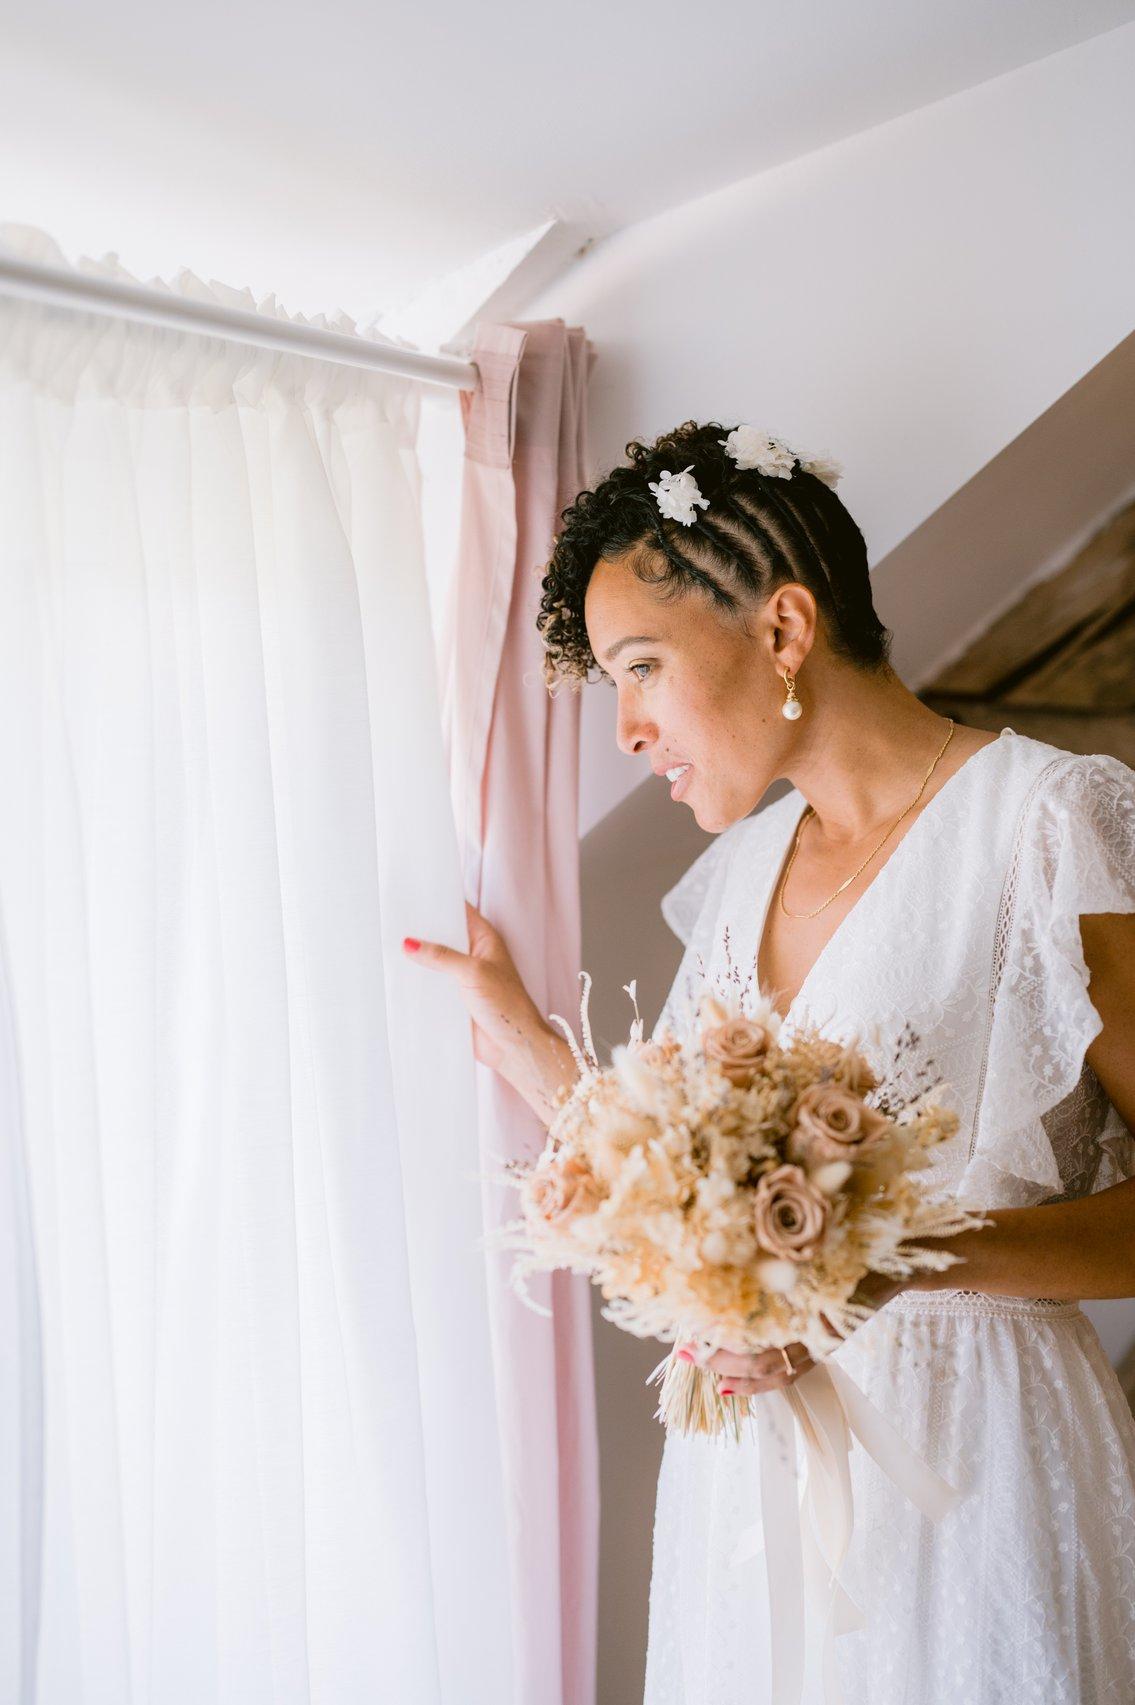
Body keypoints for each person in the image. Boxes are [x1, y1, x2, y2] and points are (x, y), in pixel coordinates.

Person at [404, 419, 1135, 1702]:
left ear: (783, 630)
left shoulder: (1044, 822)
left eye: (640, 668)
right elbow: (688, 1181)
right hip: (744, 1486)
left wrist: (887, 1265)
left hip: (982, 1464)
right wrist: (514, 1029)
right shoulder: (741, 869)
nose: (624, 728)